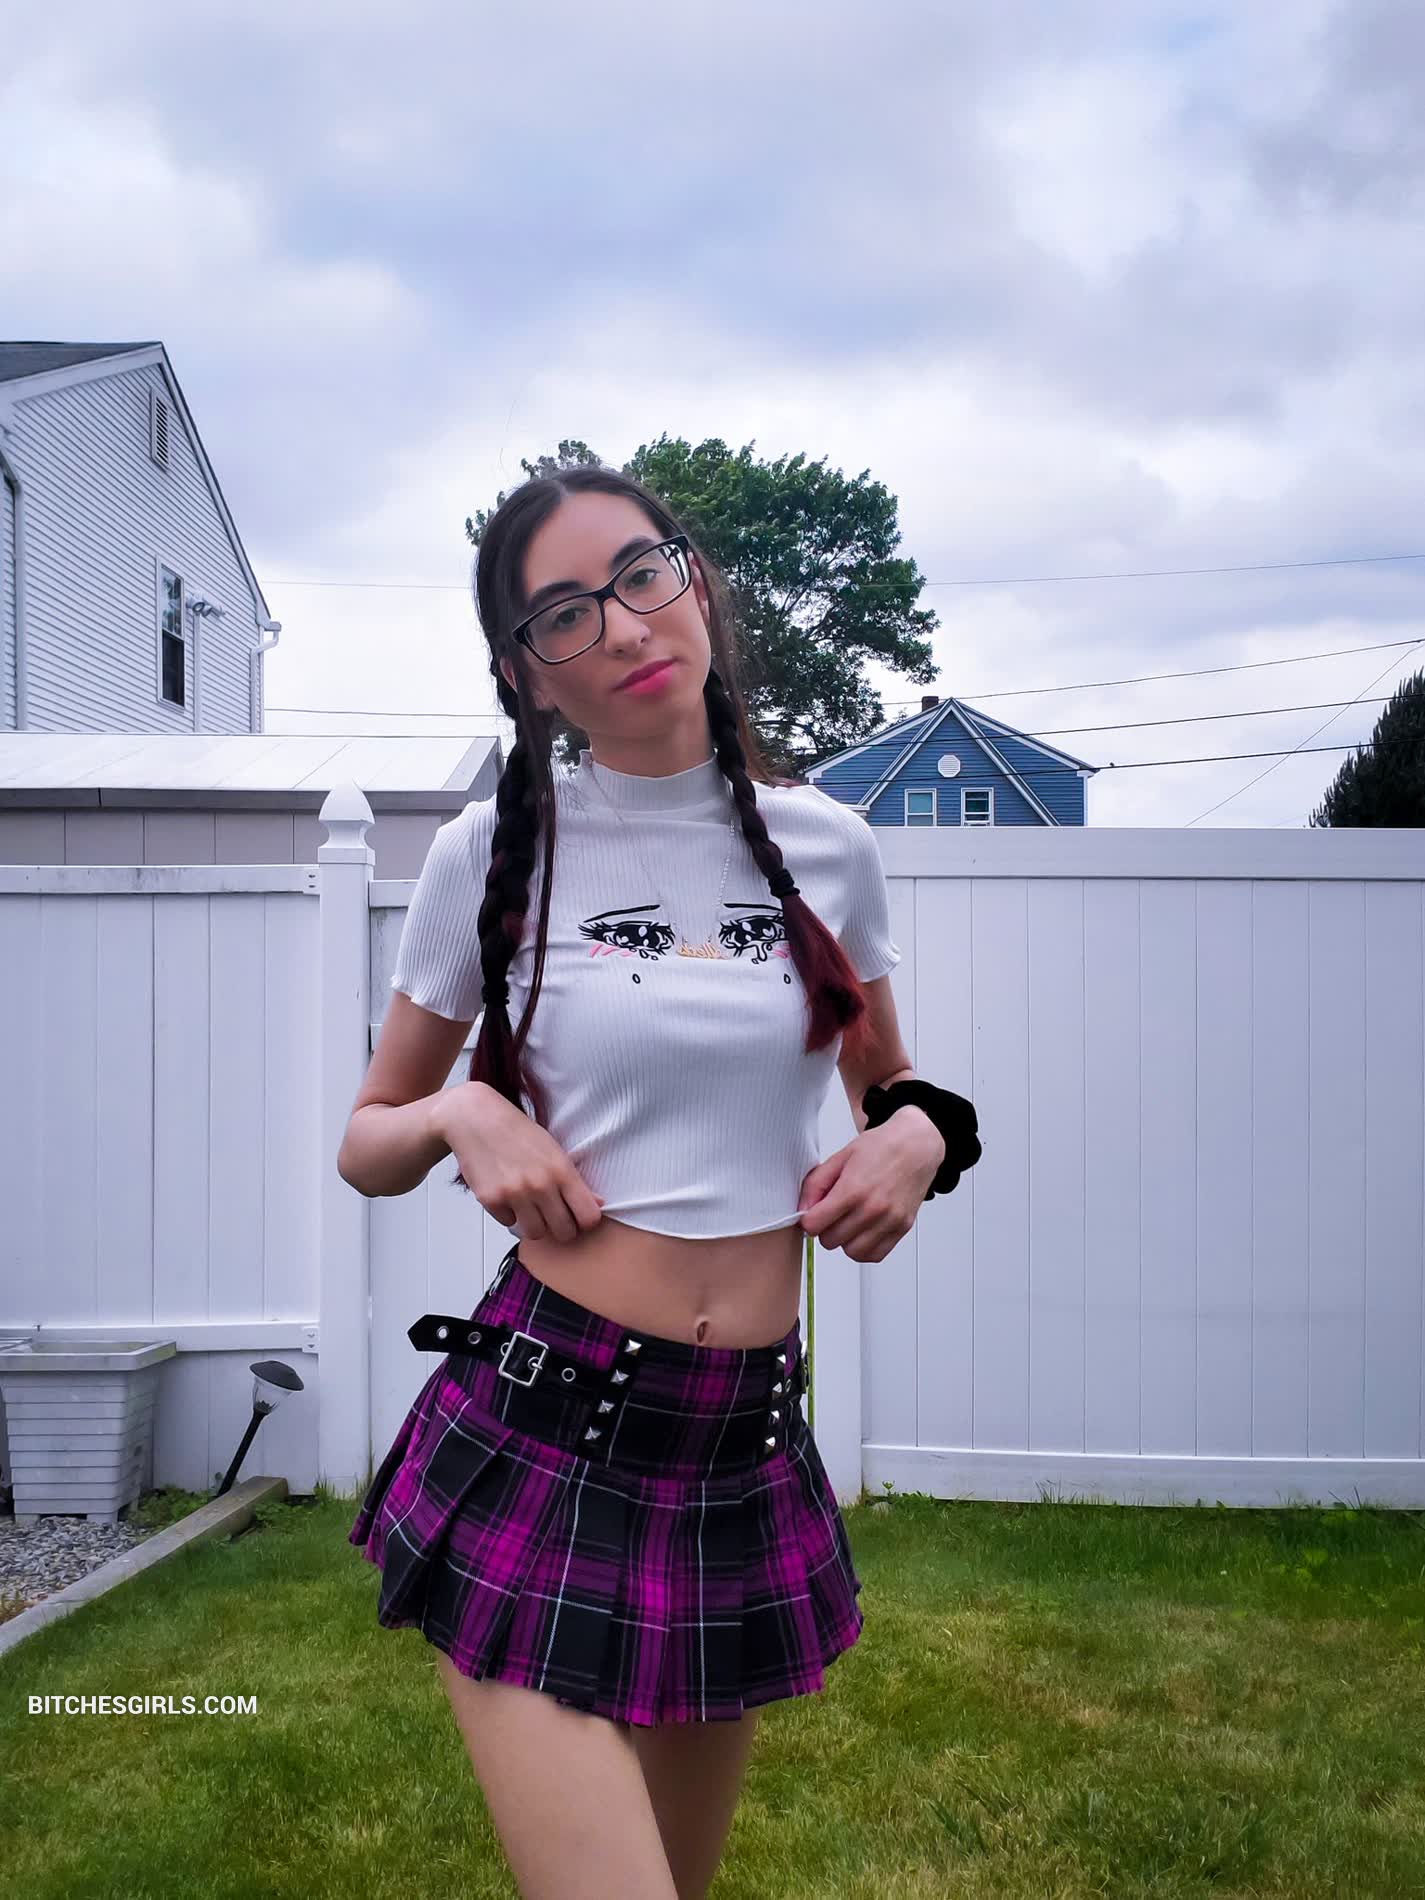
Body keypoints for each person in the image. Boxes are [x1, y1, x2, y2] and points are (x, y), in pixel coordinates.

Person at [337, 465, 979, 1900]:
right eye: (565, 612)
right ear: (526, 674)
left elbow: (893, 1086)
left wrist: (923, 1137)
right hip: (546, 1430)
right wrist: (460, 1110)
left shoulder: (828, 846)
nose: (625, 625)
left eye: (641, 573)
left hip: (739, 1448)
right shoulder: (492, 852)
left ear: (691, 581)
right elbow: (366, 1140)